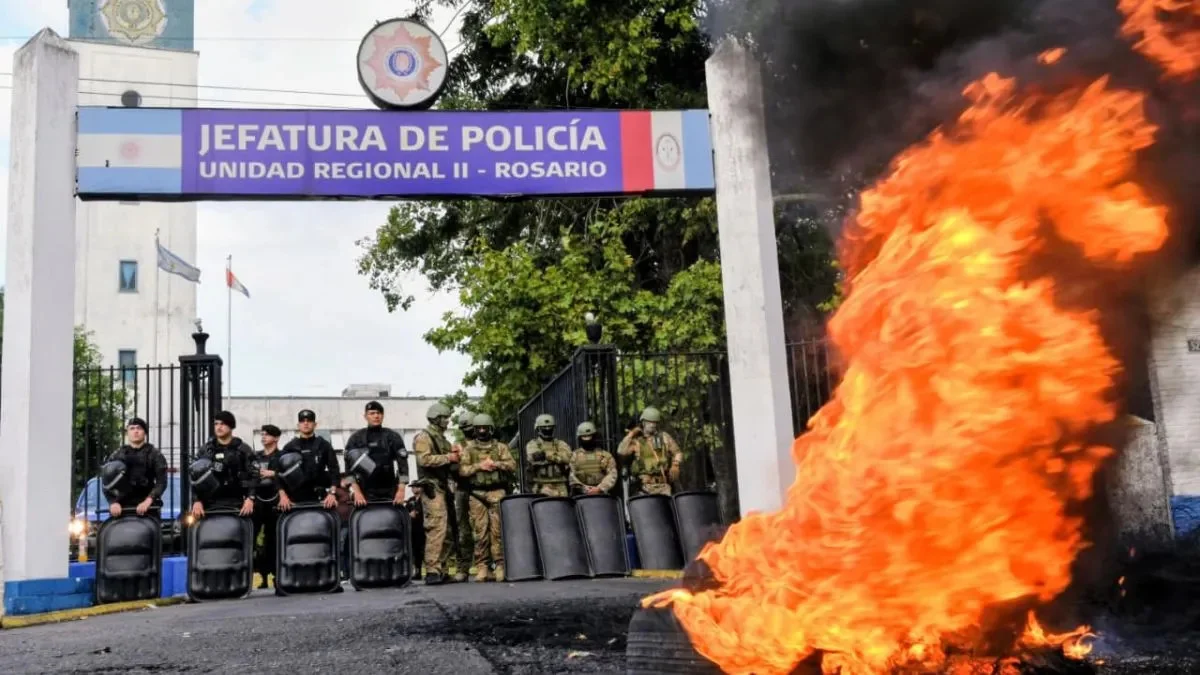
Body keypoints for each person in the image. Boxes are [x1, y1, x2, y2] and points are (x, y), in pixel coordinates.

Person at [459, 413, 516, 583]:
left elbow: (512, 466)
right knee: (480, 531)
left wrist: (496, 464)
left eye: (485, 428)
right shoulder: (469, 449)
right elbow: (462, 470)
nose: (482, 431)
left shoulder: (501, 448)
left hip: (497, 492)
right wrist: (479, 466)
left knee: (497, 531)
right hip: (477, 494)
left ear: (491, 429)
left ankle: (500, 564)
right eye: (479, 428)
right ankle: (482, 566)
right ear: (475, 430)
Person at [412, 402, 459, 585]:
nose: (447, 421)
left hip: (444, 487)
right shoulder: (424, 437)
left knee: (447, 530)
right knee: (436, 528)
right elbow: (424, 460)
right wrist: (449, 457)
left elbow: (451, 467)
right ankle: (432, 570)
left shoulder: (444, 441)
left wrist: (456, 457)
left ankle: (443, 569)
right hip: (432, 488)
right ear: (437, 418)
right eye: (445, 418)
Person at [190, 411, 257, 519]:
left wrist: (250, 498)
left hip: (237, 503)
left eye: (223, 424)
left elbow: (254, 475)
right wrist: (196, 500)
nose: (218, 427)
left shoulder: (243, 449)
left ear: (231, 426)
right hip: (209, 504)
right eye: (216, 424)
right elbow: (193, 476)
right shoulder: (206, 450)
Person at [343, 400, 409, 506]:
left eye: (379, 413)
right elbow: (348, 469)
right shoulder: (356, 438)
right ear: (365, 416)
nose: (376, 416)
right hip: (364, 491)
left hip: (390, 490)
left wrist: (401, 490)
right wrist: (357, 492)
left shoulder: (392, 436)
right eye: (372, 413)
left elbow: (403, 466)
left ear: (382, 415)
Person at [102, 417, 169, 517]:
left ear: (145, 432)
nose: (135, 431)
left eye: (139, 428)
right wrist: (113, 502)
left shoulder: (155, 454)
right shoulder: (117, 455)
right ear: (127, 433)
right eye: (132, 428)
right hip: (121, 507)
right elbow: (106, 481)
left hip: (148, 506)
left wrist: (148, 501)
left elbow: (161, 482)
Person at [276, 409, 339, 512]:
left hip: (320, 498)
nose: (306, 423)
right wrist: (283, 496)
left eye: (309, 421)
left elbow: (334, 471)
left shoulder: (324, 445)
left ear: (315, 424)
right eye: (302, 421)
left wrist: (332, 494)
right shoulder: (290, 447)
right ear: (298, 425)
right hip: (295, 499)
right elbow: (278, 474)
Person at [617, 406, 683, 496]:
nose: (652, 425)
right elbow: (621, 451)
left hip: (663, 486)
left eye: (654, 422)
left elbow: (677, 452)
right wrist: (631, 434)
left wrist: (675, 464)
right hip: (644, 488)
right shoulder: (637, 441)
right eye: (649, 422)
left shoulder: (664, 437)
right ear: (643, 422)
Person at [252, 424, 283, 589]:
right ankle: (261, 575)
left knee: (274, 540)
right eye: (262, 434)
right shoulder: (256, 457)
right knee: (255, 541)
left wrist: (274, 473)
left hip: (275, 502)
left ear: (276, 438)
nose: (263, 437)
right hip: (258, 502)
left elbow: (288, 474)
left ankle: (276, 575)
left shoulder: (282, 456)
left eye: (267, 435)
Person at [449, 411, 475, 581]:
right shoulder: (457, 445)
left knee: (486, 529)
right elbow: (452, 469)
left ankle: (485, 565)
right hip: (462, 489)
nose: (468, 430)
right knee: (462, 531)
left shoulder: (485, 444)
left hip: (481, 488)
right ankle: (463, 567)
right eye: (465, 428)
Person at [525, 414, 572, 497]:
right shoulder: (532, 444)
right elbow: (534, 457)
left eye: (549, 427)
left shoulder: (561, 443)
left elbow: (568, 458)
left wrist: (546, 455)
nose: (547, 429)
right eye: (544, 427)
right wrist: (557, 457)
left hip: (560, 484)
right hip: (541, 485)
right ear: (538, 428)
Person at [568, 421, 619, 496]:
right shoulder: (574, 456)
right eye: (584, 437)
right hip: (580, 495)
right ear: (580, 438)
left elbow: (612, 474)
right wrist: (584, 488)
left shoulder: (605, 456)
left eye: (589, 436)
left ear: (594, 436)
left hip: (601, 494)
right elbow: (571, 475)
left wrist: (599, 488)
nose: (587, 440)